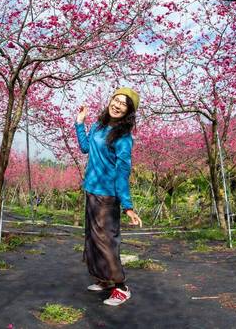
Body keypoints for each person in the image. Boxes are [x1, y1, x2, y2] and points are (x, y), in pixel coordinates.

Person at [75, 87, 143, 307]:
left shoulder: (123, 138)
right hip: (91, 190)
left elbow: (123, 173)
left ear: (128, 111)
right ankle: (104, 279)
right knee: (92, 240)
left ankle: (121, 288)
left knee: (105, 242)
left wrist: (128, 206)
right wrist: (80, 123)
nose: (117, 105)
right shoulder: (98, 125)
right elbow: (85, 148)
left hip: (108, 197)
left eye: (124, 104)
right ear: (110, 101)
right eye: (116, 100)